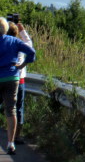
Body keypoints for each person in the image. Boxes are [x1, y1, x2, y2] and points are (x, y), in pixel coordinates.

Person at [0, 17, 35, 155]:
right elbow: (31, 51)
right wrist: (22, 65)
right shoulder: (14, 41)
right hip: (12, 77)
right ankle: (11, 143)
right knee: (11, 110)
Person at [7, 20, 32, 145]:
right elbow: (30, 45)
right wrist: (22, 30)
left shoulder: (3, 43)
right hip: (19, 80)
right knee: (18, 109)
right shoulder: (20, 44)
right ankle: (16, 136)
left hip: (3, 77)